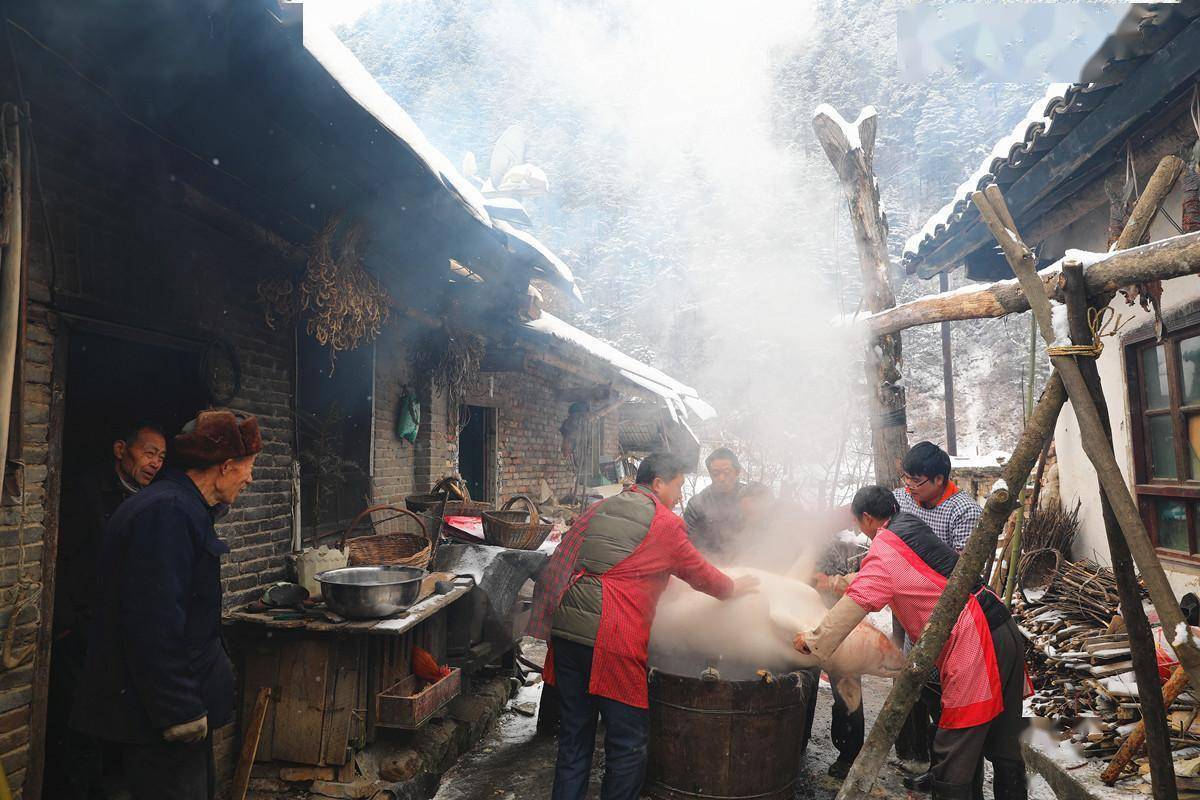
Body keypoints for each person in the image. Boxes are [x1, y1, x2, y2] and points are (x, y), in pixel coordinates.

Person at [529, 451, 759, 800]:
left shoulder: (599, 508)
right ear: (657, 484)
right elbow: (702, 575)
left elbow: (564, 561)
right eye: (678, 486)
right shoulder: (664, 525)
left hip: (567, 632)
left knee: (575, 740)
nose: (681, 496)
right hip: (612, 634)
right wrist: (734, 587)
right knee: (628, 744)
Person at [72, 409, 262, 800]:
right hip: (156, 723)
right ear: (225, 467)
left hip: (163, 715)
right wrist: (180, 710)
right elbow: (153, 622)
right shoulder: (167, 513)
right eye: (248, 467)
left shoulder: (183, 508)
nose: (250, 477)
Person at [795, 486, 1027, 800]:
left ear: (867, 518)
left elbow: (859, 599)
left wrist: (813, 641)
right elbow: (882, 576)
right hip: (1002, 625)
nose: (856, 530)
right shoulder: (908, 526)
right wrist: (837, 581)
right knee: (1005, 739)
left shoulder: (885, 551)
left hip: (976, 638)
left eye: (856, 523)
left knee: (954, 743)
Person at [46, 421, 167, 800]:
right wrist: (66, 625)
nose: (156, 463)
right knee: (80, 724)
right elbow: (55, 560)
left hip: (122, 635)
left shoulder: (150, 500)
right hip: (83, 632)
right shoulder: (86, 493)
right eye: (149, 453)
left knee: (116, 722)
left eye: (162, 457)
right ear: (120, 449)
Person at [682, 446, 745, 557]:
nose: (721, 478)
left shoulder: (749, 497)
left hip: (748, 562)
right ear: (710, 474)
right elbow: (685, 542)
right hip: (710, 565)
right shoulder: (697, 503)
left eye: (726, 472)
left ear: (737, 472)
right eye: (716, 473)